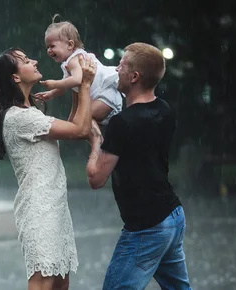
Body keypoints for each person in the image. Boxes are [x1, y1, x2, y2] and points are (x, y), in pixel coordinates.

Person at [0, 48, 100, 290]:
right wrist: (84, 85)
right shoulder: (19, 117)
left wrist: (76, 85)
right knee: (44, 281)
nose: (35, 60)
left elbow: (74, 124)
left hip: (55, 205)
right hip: (39, 208)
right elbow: (81, 130)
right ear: (15, 77)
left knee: (60, 281)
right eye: (27, 61)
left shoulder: (31, 112)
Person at [85, 42, 192, 290]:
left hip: (147, 226)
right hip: (173, 217)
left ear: (134, 77)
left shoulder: (123, 124)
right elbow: (138, 141)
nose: (115, 70)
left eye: (121, 66)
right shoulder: (164, 110)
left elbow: (96, 178)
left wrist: (96, 141)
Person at [35, 15, 123, 126]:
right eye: (47, 47)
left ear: (70, 44)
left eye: (52, 46)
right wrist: (51, 94)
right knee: (80, 123)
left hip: (104, 96)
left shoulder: (74, 60)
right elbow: (64, 86)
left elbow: (76, 80)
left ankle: (97, 141)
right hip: (103, 98)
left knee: (80, 121)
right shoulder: (71, 61)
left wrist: (54, 84)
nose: (49, 50)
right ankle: (98, 140)